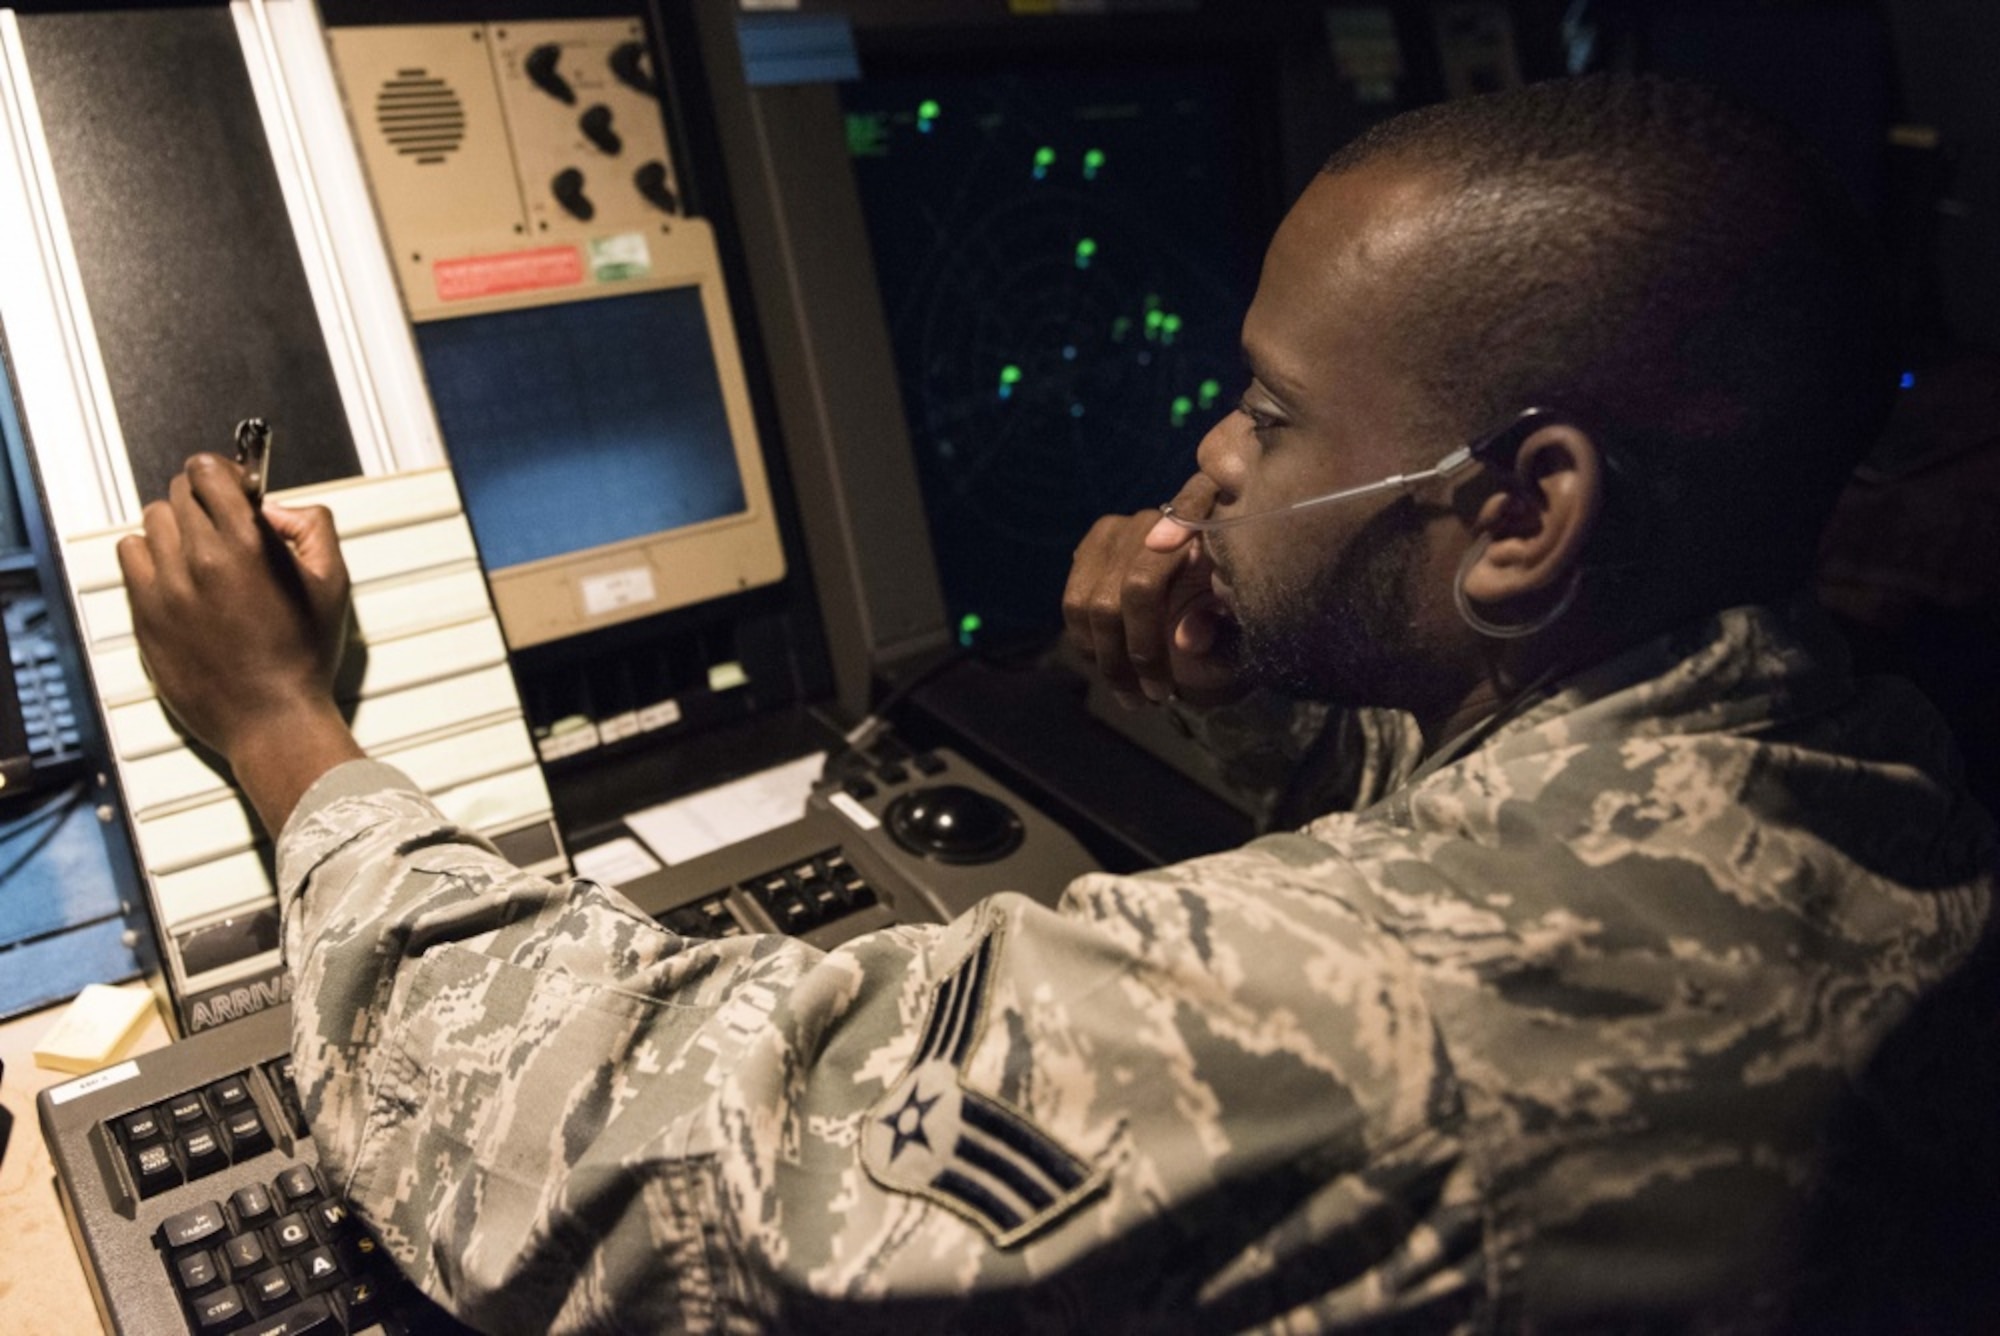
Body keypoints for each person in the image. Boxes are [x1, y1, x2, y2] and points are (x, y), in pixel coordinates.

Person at [120, 74, 1996, 1333]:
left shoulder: (1409, 1017)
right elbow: (1523, 809)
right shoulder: (1861, 769)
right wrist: (1275, 705)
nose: (1214, 451)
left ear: (1522, 514)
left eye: (1271, 413)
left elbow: (587, 1150)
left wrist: (286, 730)